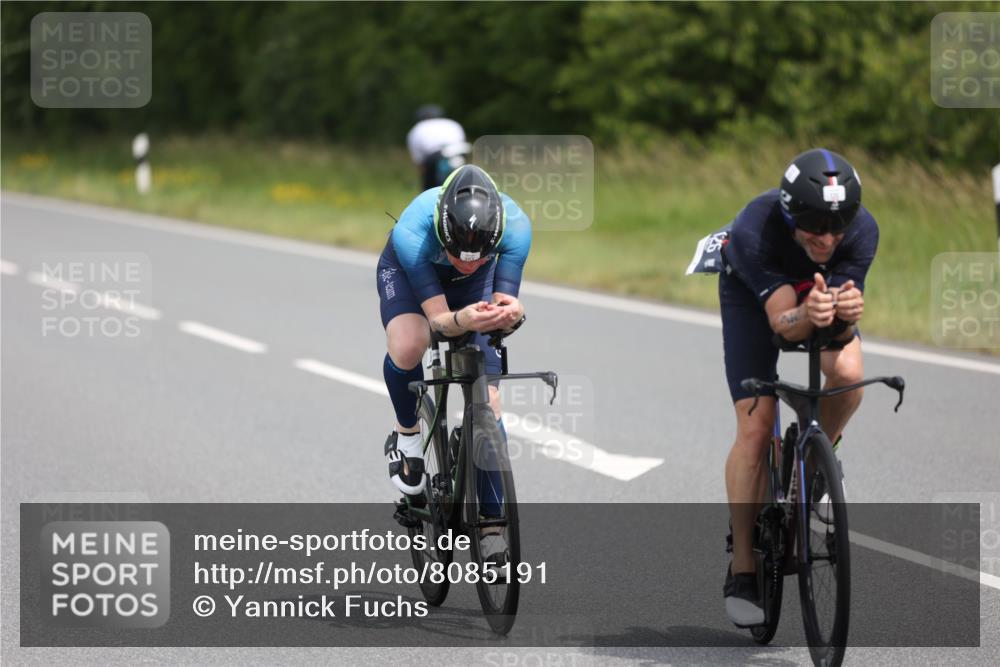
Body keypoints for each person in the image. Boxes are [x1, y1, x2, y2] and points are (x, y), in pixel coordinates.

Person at [717, 148, 878, 626]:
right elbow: (783, 323)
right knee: (756, 424)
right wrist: (807, 315)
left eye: (837, 229)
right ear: (790, 215)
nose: (827, 239)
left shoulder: (862, 229)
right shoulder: (755, 227)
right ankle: (743, 565)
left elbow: (838, 335)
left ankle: (816, 462)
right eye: (814, 228)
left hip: (813, 292)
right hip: (754, 295)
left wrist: (842, 318)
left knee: (849, 375)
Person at [376, 164, 530, 555]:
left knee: (490, 402)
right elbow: (441, 322)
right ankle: (407, 437)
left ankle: (493, 528)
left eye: (479, 255)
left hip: (473, 291)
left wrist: (511, 314)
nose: (467, 261)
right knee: (410, 342)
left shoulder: (516, 228)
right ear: (441, 232)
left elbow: (503, 304)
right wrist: (460, 320)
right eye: (457, 253)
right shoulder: (413, 229)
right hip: (415, 278)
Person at [406, 105, 471, 191]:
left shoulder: (418, 128)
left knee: (430, 187)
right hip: (460, 151)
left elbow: (419, 160)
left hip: (436, 155)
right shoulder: (452, 123)